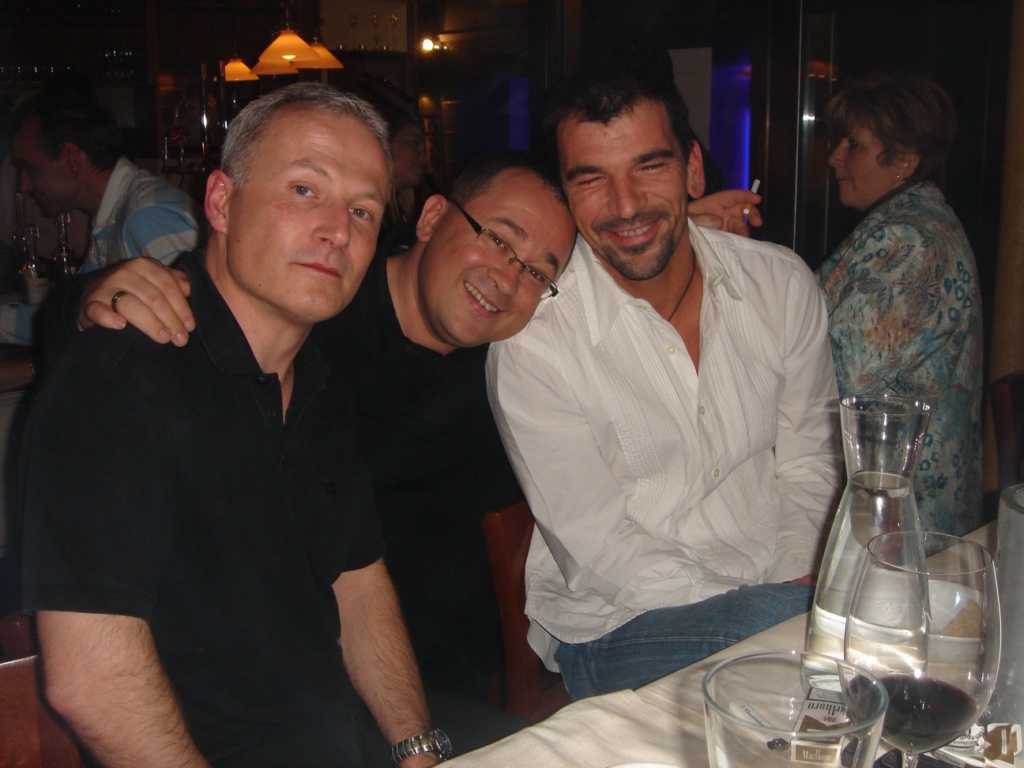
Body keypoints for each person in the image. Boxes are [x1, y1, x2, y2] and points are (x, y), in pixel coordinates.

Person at [20, 82, 448, 768]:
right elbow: (91, 682)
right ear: (220, 202)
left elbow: (358, 581)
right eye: (304, 190)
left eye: (363, 210)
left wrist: (418, 750)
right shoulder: (117, 378)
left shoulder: (320, 377)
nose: (338, 230)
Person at [485, 66, 843, 700]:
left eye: (649, 167)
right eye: (590, 179)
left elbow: (810, 463)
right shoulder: (535, 338)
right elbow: (598, 546)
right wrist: (782, 609)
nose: (625, 206)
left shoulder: (780, 286)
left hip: (780, 591)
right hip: (620, 623)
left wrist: (793, 584)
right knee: (837, 640)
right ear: (566, 197)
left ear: (693, 171)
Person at [815, 73, 983, 537]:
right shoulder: (918, 222)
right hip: (904, 506)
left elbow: (833, 377)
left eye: (853, 144)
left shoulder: (910, 242)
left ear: (904, 161)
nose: (835, 157)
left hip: (898, 524)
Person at [3, 93, 199, 344]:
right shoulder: (113, 216)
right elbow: (67, 310)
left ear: (72, 160)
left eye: (30, 169)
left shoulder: (146, 216)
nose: (24, 185)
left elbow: (203, 329)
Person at [378, 114, 431, 254]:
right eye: (415, 143)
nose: (425, 158)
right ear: (386, 141)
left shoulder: (406, 217)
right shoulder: (358, 204)